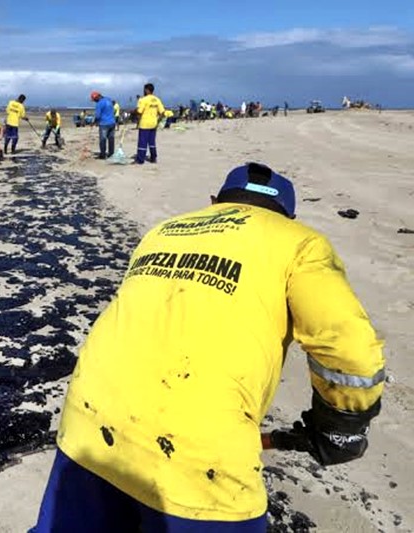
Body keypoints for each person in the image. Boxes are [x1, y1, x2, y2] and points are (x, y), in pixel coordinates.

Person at [31, 162, 385, 532]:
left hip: (87, 423)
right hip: (198, 455)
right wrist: (342, 424)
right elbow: (350, 348)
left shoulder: (163, 231)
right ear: (289, 217)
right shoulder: (299, 242)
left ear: (214, 202)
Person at [135, 83, 166, 164]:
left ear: (146, 90)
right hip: (153, 124)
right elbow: (162, 112)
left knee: (142, 142)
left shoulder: (143, 100)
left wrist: (135, 114)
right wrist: (158, 121)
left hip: (144, 124)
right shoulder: (157, 99)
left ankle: (140, 160)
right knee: (152, 142)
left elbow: (139, 112)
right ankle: (153, 158)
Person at [91, 91, 116, 159]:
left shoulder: (99, 104)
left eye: (95, 99)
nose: (95, 101)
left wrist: (94, 122)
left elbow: (98, 116)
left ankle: (103, 154)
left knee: (103, 139)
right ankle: (111, 154)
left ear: (97, 97)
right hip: (112, 122)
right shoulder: (109, 99)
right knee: (111, 139)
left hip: (104, 124)